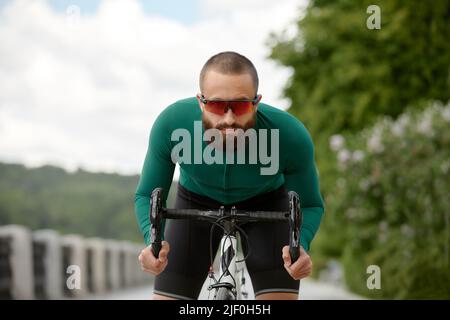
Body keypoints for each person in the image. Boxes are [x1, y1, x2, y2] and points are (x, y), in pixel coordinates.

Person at [135, 51, 324, 300]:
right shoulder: (172, 123)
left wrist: (301, 247)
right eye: (216, 105)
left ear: (256, 102)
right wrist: (153, 240)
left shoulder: (289, 134)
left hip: (266, 204)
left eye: (241, 105)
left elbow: (310, 203)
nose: (229, 119)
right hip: (195, 202)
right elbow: (147, 194)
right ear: (201, 101)